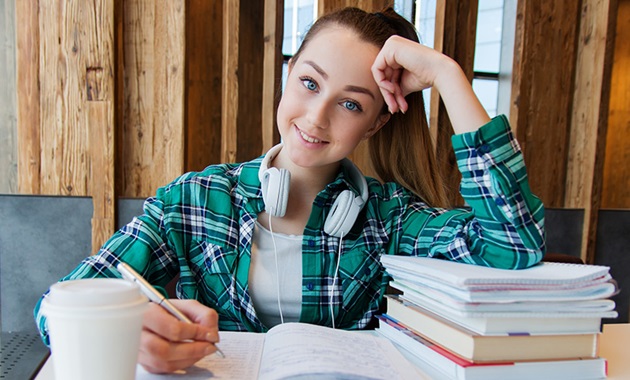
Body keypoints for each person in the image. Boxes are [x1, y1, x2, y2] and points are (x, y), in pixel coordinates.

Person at [34, 7, 545, 374]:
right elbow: (54, 310)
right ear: (287, 75)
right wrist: (132, 331)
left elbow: (513, 244)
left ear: (372, 125)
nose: (316, 117)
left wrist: (448, 75)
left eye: (351, 104)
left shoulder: (390, 220)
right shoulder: (191, 202)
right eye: (309, 83)